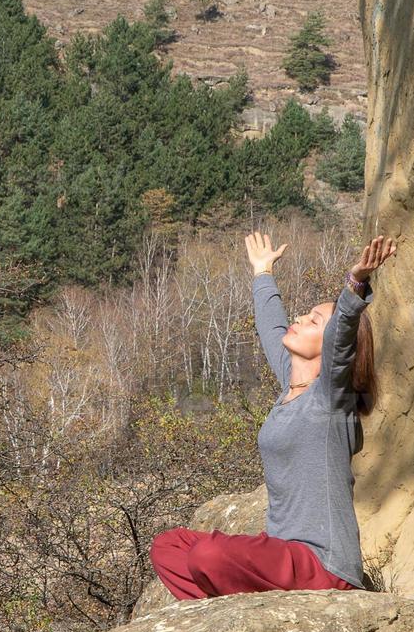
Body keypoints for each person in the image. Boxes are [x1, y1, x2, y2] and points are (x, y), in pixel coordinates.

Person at [150, 231, 394, 600]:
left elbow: (342, 338)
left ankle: (234, 603)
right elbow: (271, 326)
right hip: (280, 554)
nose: (300, 318)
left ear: (328, 345)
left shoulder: (330, 401)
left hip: (321, 563)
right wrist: (263, 273)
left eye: (313, 321)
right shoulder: (289, 389)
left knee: (209, 555)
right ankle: (227, 606)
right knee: (169, 546)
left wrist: (355, 284)